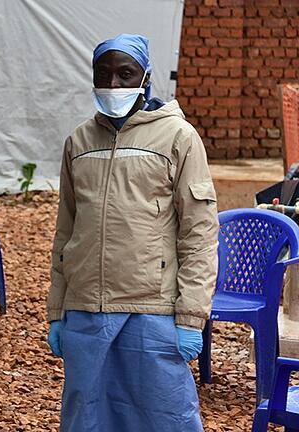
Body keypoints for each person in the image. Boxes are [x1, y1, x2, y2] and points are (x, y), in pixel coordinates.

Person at [46, 34, 218, 431]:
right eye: (103, 74)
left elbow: (199, 232)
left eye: (126, 74)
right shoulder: (79, 141)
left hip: (152, 309)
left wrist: (191, 315)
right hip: (86, 306)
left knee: (163, 414)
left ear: (146, 78)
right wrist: (57, 311)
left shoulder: (178, 137)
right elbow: (65, 231)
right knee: (87, 414)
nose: (114, 85)